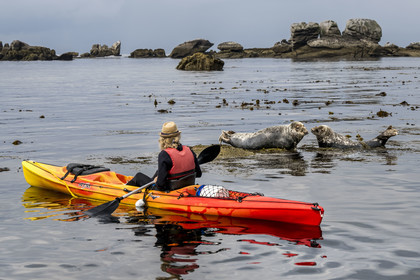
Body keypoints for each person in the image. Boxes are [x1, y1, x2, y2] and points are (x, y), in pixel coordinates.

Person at [127, 121, 202, 191]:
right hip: (187, 187)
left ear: (163, 139)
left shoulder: (164, 154)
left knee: (138, 176)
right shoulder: (189, 150)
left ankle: (123, 189)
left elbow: (160, 185)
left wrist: (157, 182)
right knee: (158, 172)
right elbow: (198, 174)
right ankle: (151, 181)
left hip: (169, 190)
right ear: (178, 136)